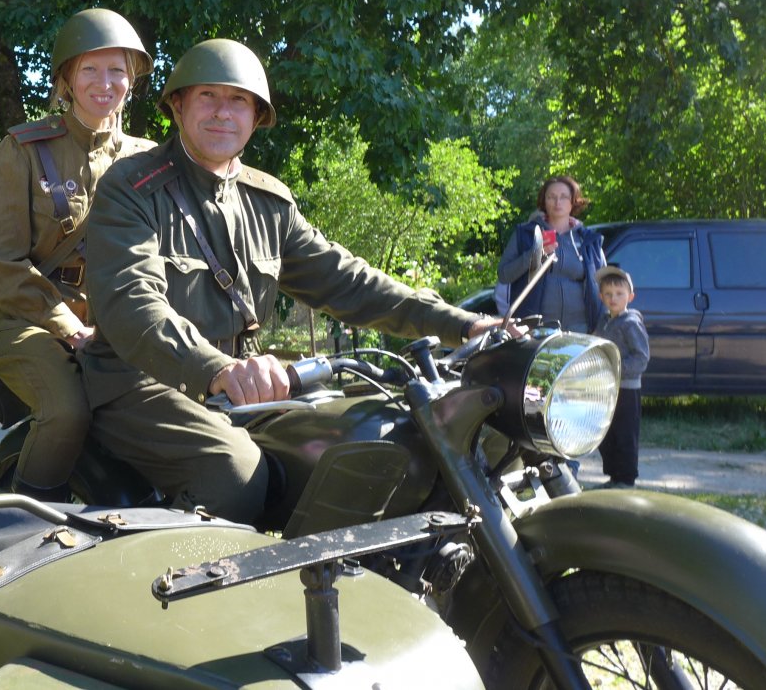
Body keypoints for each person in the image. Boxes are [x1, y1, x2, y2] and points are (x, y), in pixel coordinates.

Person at [80, 38, 505, 522]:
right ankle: (184, 570)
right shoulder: (131, 188)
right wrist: (218, 369)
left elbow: (349, 281)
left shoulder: (269, 203)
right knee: (233, 473)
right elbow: (132, 304)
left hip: (243, 390)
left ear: (256, 116)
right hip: (141, 383)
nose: (222, 113)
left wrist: (463, 324)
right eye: (207, 97)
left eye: (238, 101)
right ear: (178, 106)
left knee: (374, 441)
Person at [0, 8, 156, 502]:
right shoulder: (24, 149)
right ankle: (26, 521)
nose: (104, 82)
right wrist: (69, 326)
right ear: (67, 80)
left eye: (117, 69)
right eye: (89, 69)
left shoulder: (149, 160)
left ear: (132, 80)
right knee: (67, 412)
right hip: (24, 320)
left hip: (115, 325)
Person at [497, 175, 605, 332]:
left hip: (581, 328)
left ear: (573, 201)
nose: (557, 202)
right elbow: (504, 275)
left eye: (564, 197)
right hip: (535, 329)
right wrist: (535, 254)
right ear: (544, 201)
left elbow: (604, 285)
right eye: (551, 197)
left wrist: (602, 326)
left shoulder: (588, 239)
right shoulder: (525, 234)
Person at [593, 265, 650, 489]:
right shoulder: (604, 321)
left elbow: (641, 358)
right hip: (607, 389)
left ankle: (626, 480)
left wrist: (615, 369)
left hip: (627, 389)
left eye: (619, 293)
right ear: (601, 297)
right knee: (607, 434)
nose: (613, 298)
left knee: (626, 435)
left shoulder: (631, 323)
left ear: (630, 296)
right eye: (608, 294)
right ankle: (614, 477)